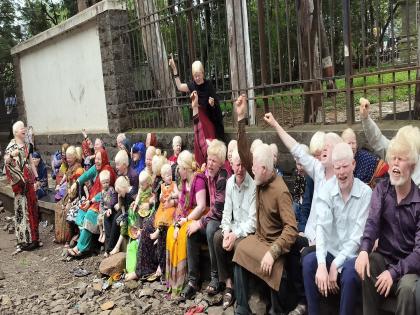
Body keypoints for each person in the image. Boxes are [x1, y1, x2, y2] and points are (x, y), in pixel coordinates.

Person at [232, 95, 298, 315]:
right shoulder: (260, 174)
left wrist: (274, 251)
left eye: (255, 168)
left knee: (274, 268)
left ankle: (274, 309)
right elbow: (243, 153)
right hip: (258, 239)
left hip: (274, 246)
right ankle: (243, 307)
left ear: (267, 169)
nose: (251, 171)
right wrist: (241, 118)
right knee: (240, 248)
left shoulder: (281, 191)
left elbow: (291, 229)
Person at [355, 127, 420, 315]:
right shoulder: (382, 190)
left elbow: (418, 252)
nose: (395, 163)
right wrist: (364, 250)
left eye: (401, 159)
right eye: (393, 158)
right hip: (385, 258)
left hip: (409, 267)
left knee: (408, 287)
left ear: (412, 167)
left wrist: (394, 272)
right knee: (369, 261)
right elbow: (372, 223)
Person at [302, 142, 372, 315]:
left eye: (345, 166)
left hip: (352, 256)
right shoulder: (326, 189)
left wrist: (335, 264)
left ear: (353, 165)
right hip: (331, 252)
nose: (341, 172)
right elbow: (322, 228)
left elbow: (357, 238)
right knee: (309, 262)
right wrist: (321, 264)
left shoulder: (365, 193)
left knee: (348, 273)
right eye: (337, 167)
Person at [181, 94, 228, 299]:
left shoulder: (223, 176)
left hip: (225, 220)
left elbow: (218, 211)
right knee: (191, 232)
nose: (209, 164)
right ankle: (193, 280)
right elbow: (201, 141)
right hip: (213, 216)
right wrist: (194, 110)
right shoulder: (208, 169)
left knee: (208, 228)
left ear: (221, 162)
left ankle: (215, 277)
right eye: (209, 159)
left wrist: (198, 222)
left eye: (214, 161)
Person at [213, 149, 256, 310]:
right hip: (233, 228)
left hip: (246, 231)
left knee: (238, 246)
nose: (240, 169)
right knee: (217, 238)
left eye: (243, 165)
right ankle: (229, 285)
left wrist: (234, 235)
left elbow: (253, 222)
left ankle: (242, 293)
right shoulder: (230, 182)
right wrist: (226, 232)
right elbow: (226, 212)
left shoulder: (252, 185)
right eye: (237, 165)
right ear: (231, 165)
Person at [165, 150, 208, 296]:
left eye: (180, 168)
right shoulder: (184, 182)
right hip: (186, 216)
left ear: (186, 168)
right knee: (171, 232)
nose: (178, 171)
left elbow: (201, 206)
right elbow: (182, 205)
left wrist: (186, 220)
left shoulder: (199, 180)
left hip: (199, 217)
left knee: (186, 232)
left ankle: (189, 280)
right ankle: (174, 279)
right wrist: (177, 223)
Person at [359, 97, 420, 186]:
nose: (396, 162)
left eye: (402, 158)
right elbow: (377, 140)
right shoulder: (395, 150)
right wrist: (365, 118)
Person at [67, 149, 116, 257]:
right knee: (80, 211)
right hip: (92, 200)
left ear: (103, 159)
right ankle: (85, 241)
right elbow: (86, 175)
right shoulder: (97, 168)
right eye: (96, 159)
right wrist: (77, 183)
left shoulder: (108, 171)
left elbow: (105, 193)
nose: (97, 161)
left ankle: (80, 247)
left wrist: (91, 201)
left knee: (90, 215)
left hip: (103, 203)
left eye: (99, 159)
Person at [4, 121, 41, 251]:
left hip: (29, 180)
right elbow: (6, 162)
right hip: (19, 184)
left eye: (24, 127)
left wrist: (37, 178)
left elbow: (31, 162)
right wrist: (10, 156)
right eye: (21, 128)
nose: (24, 130)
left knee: (32, 207)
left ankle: (34, 239)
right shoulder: (11, 146)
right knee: (22, 209)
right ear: (15, 132)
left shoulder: (27, 145)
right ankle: (24, 239)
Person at [169, 56, 225, 142]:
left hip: (210, 117)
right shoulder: (192, 85)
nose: (197, 78)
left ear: (203, 73)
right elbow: (179, 86)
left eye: (199, 75)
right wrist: (174, 69)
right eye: (195, 76)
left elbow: (215, 104)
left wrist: (212, 103)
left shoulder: (208, 85)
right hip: (199, 118)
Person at [93, 170, 118, 244]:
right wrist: (101, 211)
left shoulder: (111, 189)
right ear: (101, 183)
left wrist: (109, 208)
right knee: (99, 218)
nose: (105, 184)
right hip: (104, 209)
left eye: (107, 182)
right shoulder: (102, 192)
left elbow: (113, 199)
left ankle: (104, 232)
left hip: (110, 209)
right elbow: (101, 202)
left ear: (109, 181)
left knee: (104, 219)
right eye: (104, 183)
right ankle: (101, 232)